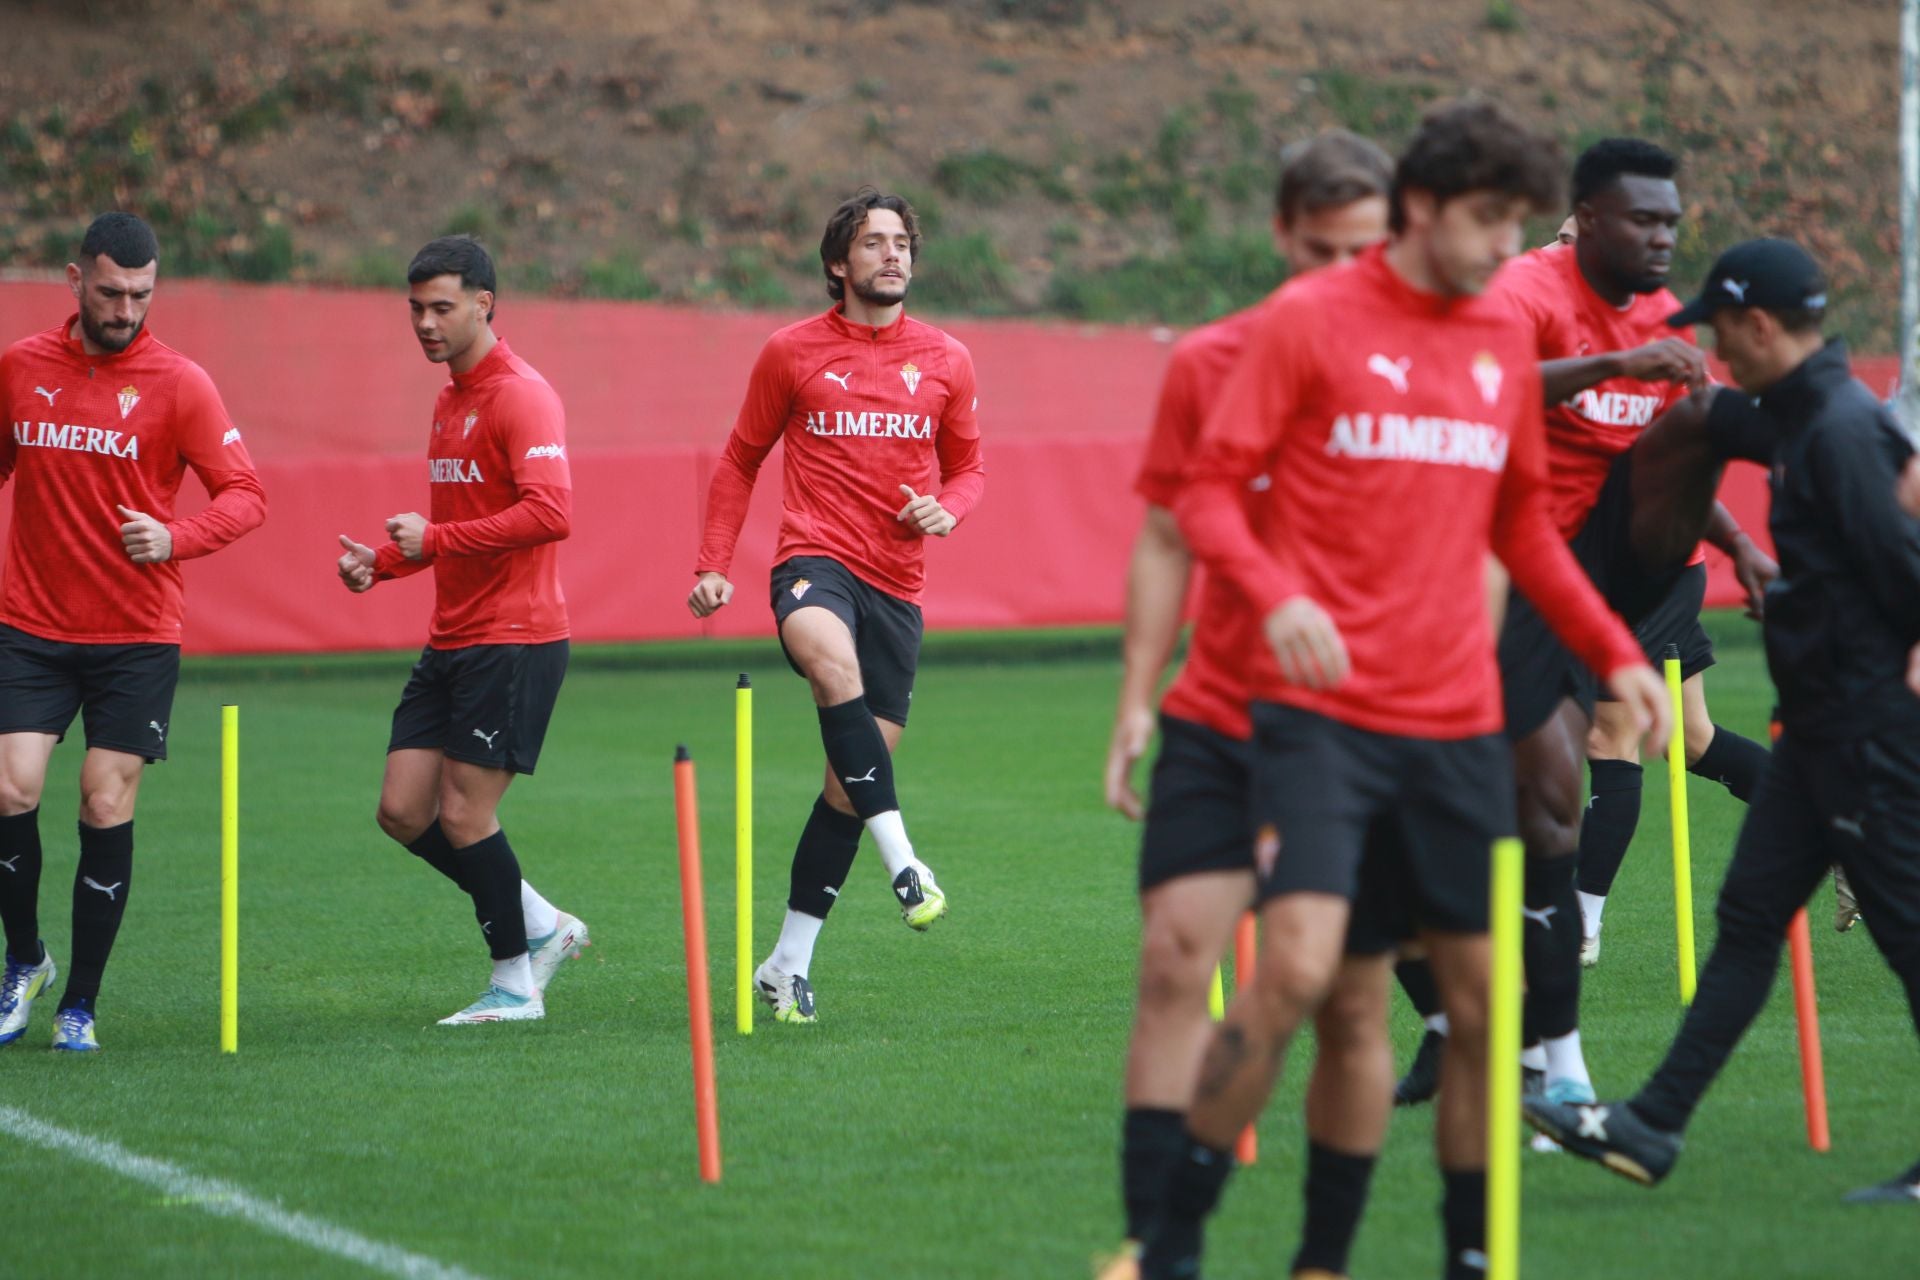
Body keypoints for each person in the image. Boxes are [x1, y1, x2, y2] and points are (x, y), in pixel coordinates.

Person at [1135, 102, 1669, 1280]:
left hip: (1452, 722)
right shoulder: (1311, 321)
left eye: (1517, 220)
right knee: (1292, 976)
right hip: (1322, 718)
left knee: (1485, 1008)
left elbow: (1523, 524)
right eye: (1489, 218)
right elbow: (1210, 496)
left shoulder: (1495, 335)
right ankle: (1169, 1242)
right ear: (1422, 209)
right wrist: (1276, 594)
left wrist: (1613, 646)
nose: (1504, 242)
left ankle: (1466, 1254)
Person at [1524, 238, 1920, 1206]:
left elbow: (1905, 565)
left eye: (1718, 331)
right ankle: (1654, 1121)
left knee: (1911, 939)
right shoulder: (1800, 414)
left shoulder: (1835, 429)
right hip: (1813, 733)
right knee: (1745, 921)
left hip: (1867, 732)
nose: (1713, 352)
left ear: (1757, 325)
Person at [1391, 139, 1777, 1112]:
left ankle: (1559, 1069)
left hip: (1628, 576)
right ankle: (1469, 1024)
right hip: (1509, 568)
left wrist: (1740, 546)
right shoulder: (1524, 294)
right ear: (1587, 219)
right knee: (1452, 833)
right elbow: (1473, 399)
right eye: (1644, 221)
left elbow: (1677, 452)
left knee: (1571, 799)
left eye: (1673, 224)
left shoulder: (1669, 323)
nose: (1662, 239)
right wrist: (1608, 361)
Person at [1100, 130, 1393, 1280]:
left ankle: (1321, 1257)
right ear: (1281, 235)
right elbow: (1168, 535)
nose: (1339, 271)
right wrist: (1135, 698)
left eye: (1364, 249)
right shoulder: (1212, 362)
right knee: (1176, 958)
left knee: (1351, 1004)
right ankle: (1153, 1251)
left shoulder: (1416, 371)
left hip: (1358, 727)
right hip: (1219, 714)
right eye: (1320, 248)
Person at [689, 189, 985, 1025]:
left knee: (847, 790)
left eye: (902, 243)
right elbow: (741, 459)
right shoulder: (790, 353)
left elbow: (970, 471)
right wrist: (714, 564)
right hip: (813, 563)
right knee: (829, 660)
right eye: (873, 243)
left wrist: (949, 509)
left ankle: (786, 964)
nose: (892, 255)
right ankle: (908, 864)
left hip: (898, 588)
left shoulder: (949, 360)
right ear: (837, 263)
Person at [0, 212, 267, 1052]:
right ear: (75, 281)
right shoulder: (19, 368)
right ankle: (25, 962)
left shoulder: (181, 383)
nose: (126, 309)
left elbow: (246, 494)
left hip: (136, 634)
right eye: (111, 292)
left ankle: (79, 1003)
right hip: (30, 623)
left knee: (103, 799)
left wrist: (174, 537)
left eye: (141, 295)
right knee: (10, 789)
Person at [336, 234, 586, 1026]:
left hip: (515, 639)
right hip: (453, 636)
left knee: (464, 815)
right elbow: (458, 525)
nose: (425, 323)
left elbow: (552, 514)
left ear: (485, 303)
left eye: (441, 307)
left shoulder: (522, 395)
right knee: (403, 812)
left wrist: (434, 542)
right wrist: (383, 561)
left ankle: (515, 984)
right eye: (415, 309)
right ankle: (544, 925)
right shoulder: (450, 398)